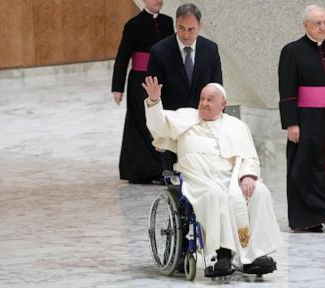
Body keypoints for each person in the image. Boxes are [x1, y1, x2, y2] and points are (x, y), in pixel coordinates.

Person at [143, 76, 282, 277]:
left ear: (223, 104)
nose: (204, 104)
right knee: (216, 195)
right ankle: (222, 254)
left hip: (231, 180)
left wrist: (248, 177)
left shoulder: (237, 126)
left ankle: (254, 255)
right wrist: (155, 101)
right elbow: (158, 125)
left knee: (259, 191)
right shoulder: (186, 118)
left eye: (210, 100)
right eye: (202, 99)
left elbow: (249, 157)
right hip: (198, 182)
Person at [278, 4, 325, 232]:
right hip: (305, 119)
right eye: (318, 23)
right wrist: (291, 123)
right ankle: (315, 218)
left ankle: (323, 216)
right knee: (303, 167)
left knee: (324, 166)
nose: (323, 27)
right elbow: (286, 88)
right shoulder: (292, 50)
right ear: (305, 25)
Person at [147, 3, 222, 170]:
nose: (186, 34)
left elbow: (218, 90)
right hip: (172, 129)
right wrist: (159, 133)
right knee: (175, 181)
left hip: (203, 127)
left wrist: (219, 126)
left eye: (191, 29)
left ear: (200, 26)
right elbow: (152, 97)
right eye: (181, 28)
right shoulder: (159, 52)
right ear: (175, 24)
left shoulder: (211, 49)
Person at [111, 0, 174, 184]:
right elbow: (122, 57)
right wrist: (117, 87)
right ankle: (145, 170)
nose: (158, 1)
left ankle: (165, 168)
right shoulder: (133, 25)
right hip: (140, 81)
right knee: (143, 123)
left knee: (162, 121)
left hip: (163, 80)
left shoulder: (168, 22)